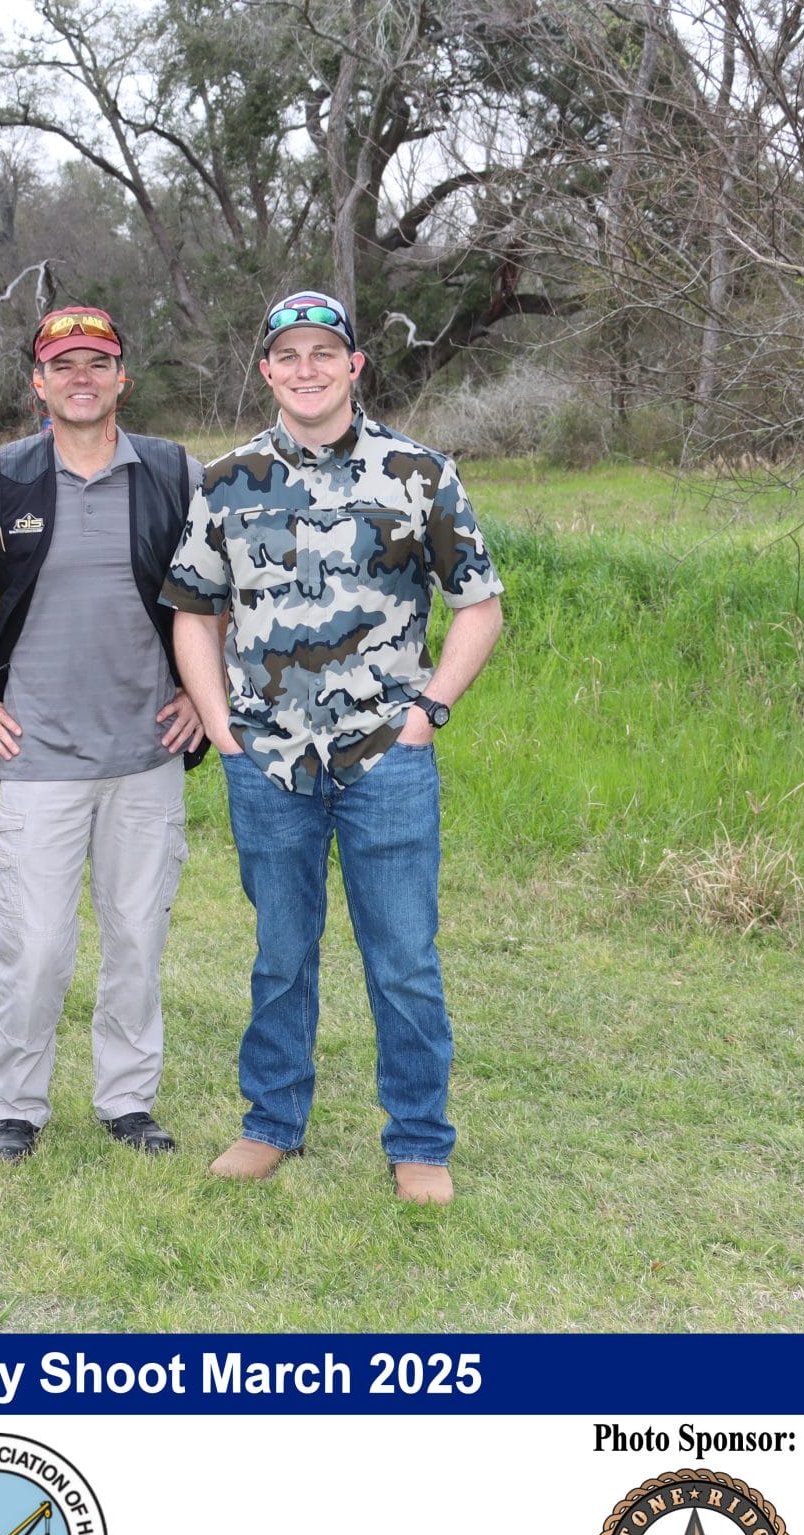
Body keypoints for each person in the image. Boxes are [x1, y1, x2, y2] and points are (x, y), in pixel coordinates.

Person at [161, 289, 506, 1204]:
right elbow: (194, 611)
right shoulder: (226, 480)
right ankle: (270, 1124)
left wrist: (429, 710)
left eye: (324, 353)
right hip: (267, 760)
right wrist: (221, 725)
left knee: (404, 959)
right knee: (281, 953)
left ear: (354, 365)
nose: (306, 369)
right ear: (266, 371)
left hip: (386, 755)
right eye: (289, 355)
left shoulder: (418, 473)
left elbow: (480, 606)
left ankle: (420, 1140)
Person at [0, 305, 206, 1163]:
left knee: (137, 937)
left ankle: (127, 1101)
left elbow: (221, 588)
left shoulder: (174, 474)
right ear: (38, 383)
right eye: (63, 364)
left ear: (122, 379)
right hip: (37, 759)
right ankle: (18, 1109)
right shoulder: (1, 481)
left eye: (97, 363)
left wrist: (202, 690)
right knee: (35, 948)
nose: (82, 377)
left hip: (146, 753)